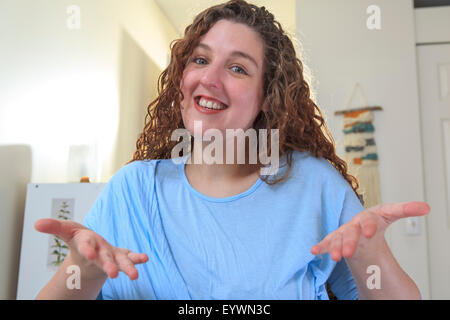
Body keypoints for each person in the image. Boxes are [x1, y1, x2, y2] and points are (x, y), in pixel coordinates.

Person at [34, 0, 429, 300]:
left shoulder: (315, 186)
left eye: (238, 68)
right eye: (201, 59)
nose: (209, 78)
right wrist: (80, 271)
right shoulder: (131, 191)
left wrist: (371, 255)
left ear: (266, 97)